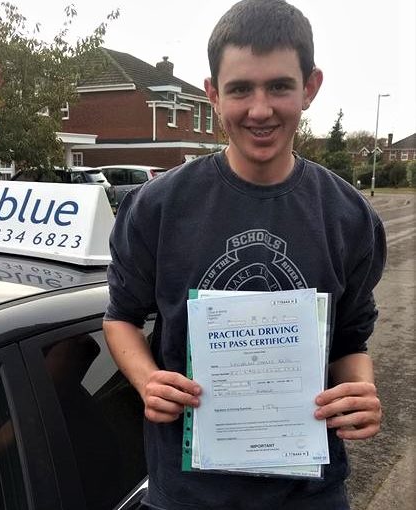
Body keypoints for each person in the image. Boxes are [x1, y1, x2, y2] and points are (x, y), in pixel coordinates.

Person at [102, 0, 386, 509]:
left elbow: (349, 341)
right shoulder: (157, 207)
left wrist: (360, 393)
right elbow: (121, 317)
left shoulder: (348, 216)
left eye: (278, 86)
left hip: (309, 494)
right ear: (212, 93)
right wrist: (148, 382)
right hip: (187, 495)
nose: (260, 109)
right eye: (240, 89)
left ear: (310, 87)